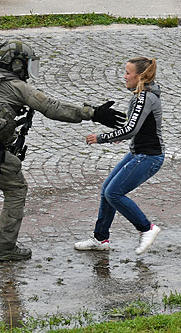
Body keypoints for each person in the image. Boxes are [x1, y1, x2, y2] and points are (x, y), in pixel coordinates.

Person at [0, 40, 125, 261]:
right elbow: (53, 108)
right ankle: (5, 249)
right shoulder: (19, 88)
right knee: (16, 190)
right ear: (16, 65)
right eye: (26, 64)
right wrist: (92, 113)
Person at [74, 57, 165, 255]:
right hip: (138, 153)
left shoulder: (144, 97)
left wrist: (101, 138)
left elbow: (131, 129)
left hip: (148, 157)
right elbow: (136, 125)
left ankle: (146, 228)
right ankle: (100, 239)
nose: (124, 76)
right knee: (107, 189)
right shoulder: (142, 94)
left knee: (114, 193)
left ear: (139, 76)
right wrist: (120, 135)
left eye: (127, 73)